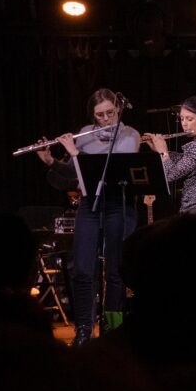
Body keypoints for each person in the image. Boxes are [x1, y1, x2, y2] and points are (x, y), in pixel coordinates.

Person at [36, 88, 140, 346]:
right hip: (90, 204)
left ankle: (113, 329)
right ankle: (83, 329)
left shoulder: (130, 135)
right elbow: (72, 176)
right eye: (99, 115)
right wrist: (51, 161)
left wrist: (75, 154)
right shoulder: (84, 135)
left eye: (110, 113)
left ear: (118, 110)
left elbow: (113, 165)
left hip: (119, 204)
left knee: (115, 272)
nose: (105, 120)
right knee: (81, 269)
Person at [142, 96, 196, 213]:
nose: (184, 124)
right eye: (182, 119)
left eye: (189, 119)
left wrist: (163, 152)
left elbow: (170, 175)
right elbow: (185, 160)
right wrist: (159, 150)